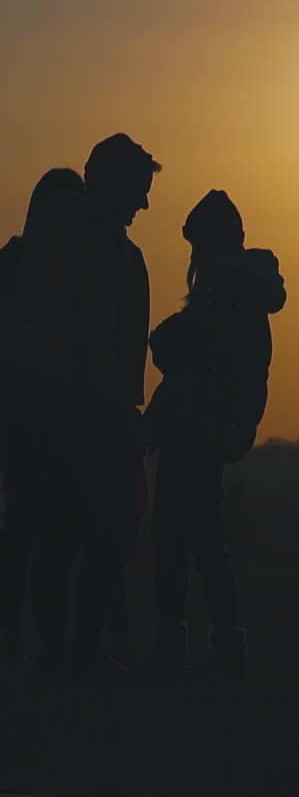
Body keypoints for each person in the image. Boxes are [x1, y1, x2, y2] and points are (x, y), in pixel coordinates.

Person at [0, 134, 160, 678]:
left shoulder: (43, 239)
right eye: (139, 190)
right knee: (112, 530)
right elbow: (95, 335)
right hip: (88, 407)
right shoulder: (102, 245)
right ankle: (83, 651)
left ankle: (53, 652)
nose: (143, 204)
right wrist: (118, 407)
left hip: (34, 404)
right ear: (110, 182)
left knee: (55, 533)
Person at [145, 190, 286, 679]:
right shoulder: (243, 291)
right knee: (202, 537)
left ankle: (184, 643)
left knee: (178, 536)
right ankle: (221, 642)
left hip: (196, 426)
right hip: (213, 425)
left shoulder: (222, 290)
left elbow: (172, 345)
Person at [0, 168, 86, 665]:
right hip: (36, 415)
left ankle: (21, 633)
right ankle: (43, 638)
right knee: (45, 527)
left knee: (24, 525)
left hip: (25, 415)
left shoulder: (16, 260)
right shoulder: (44, 265)